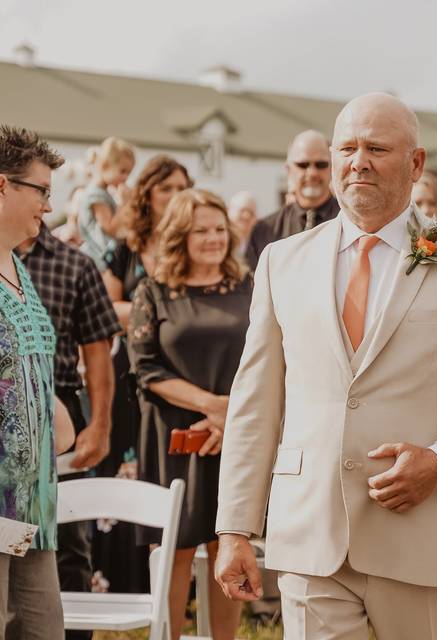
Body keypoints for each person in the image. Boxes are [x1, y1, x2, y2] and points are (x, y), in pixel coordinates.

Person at [213, 93, 437, 639]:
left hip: (420, 533)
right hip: (310, 536)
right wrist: (234, 530)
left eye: (376, 148)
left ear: (415, 165)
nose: (357, 161)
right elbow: (255, 404)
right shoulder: (282, 261)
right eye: (346, 147)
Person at [128, 189, 250, 640]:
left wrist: (231, 416)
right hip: (171, 434)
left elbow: (272, 358)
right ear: (180, 235)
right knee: (174, 547)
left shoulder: (249, 287)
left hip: (238, 434)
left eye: (219, 229)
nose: (213, 238)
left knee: (230, 543)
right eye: (201, 230)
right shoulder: (153, 291)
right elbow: (144, 367)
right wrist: (211, 406)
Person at [16, 219, 121, 640]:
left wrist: (99, 424)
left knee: (68, 541)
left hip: (62, 417)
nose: (48, 204)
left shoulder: (74, 264)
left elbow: (97, 349)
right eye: (40, 190)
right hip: (9, 410)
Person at [94, 155, 192, 594]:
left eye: (181, 187)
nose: (175, 196)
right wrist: (150, 312)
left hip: (181, 371)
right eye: (166, 187)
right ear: (148, 194)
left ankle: (174, 584)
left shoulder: (192, 242)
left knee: (171, 469)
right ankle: (122, 581)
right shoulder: (126, 247)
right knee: (124, 465)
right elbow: (103, 308)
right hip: (128, 371)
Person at [0, 124, 77, 638]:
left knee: (42, 628)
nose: (49, 205)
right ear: (3, 185)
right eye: (42, 190)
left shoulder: (17, 266)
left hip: (32, 504)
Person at [245, 130, 340, 269]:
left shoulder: (352, 222)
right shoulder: (266, 229)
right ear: (288, 169)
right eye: (303, 164)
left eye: (321, 164)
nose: (312, 173)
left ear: (332, 167)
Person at [77, 137, 135, 272]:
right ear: (105, 166)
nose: (126, 178)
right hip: (97, 260)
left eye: (129, 173)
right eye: (122, 171)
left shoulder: (103, 193)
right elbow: (110, 228)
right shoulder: (97, 195)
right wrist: (124, 204)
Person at [227, 191, 258, 255]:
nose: (247, 216)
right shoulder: (219, 242)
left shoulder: (259, 246)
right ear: (228, 211)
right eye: (242, 210)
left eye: (251, 213)